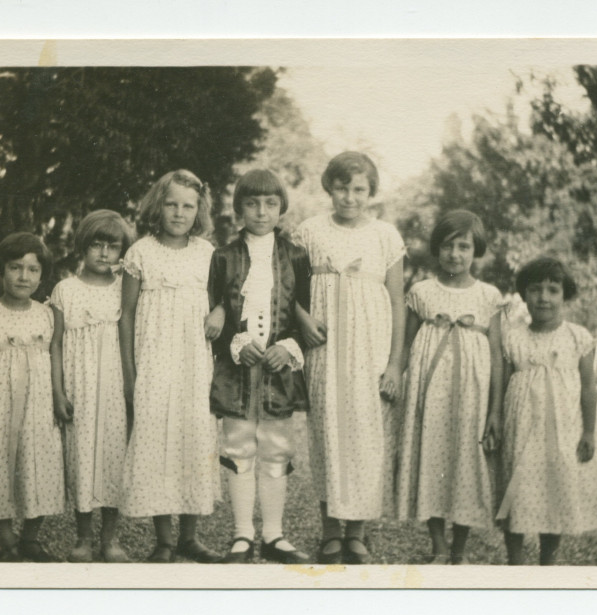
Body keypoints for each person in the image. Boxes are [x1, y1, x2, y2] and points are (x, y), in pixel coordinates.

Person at [292, 152, 406, 564]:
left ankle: (357, 532)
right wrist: (302, 319)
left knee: (365, 435)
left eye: (359, 189)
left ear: (371, 192)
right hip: (324, 346)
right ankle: (328, 531)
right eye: (342, 187)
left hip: (369, 348)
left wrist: (394, 363)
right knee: (327, 432)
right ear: (329, 187)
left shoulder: (385, 236)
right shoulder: (309, 231)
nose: (350, 196)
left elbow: (397, 301)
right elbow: (291, 288)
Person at [205, 169, 312, 564]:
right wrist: (234, 341)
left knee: (276, 449)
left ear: (281, 207)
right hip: (237, 371)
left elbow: (305, 313)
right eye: (252, 203)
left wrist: (289, 346)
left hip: (278, 371)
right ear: (239, 208)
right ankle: (241, 535)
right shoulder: (224, 256)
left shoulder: (297, 256)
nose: (261, 212)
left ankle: (273, 534)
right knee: (238, 447)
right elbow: (213, 315)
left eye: (270, 203)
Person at [118, 169, 222, 563]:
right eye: (172, 204)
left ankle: (190, 537)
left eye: (188, 206)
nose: (179, 213)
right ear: (158, 206)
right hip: (154, 359)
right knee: (156, 439)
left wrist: (221, 313)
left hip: (195, 362)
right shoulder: (140, 252)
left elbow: (224, 298)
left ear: (199, 211)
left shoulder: (207, 253)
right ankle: (163, 539)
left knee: (194, 438)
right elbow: (126, 315)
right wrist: (130, 374)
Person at [395, 210, 504, 564]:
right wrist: (397, 377)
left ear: (476, 250)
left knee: (465, 461)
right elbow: (407, 345)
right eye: (447, 246)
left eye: (463, 246)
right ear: (436, 249)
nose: (455, 254)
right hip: (430, 392)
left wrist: (495, 410)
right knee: (430, 457)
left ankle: (460, 548)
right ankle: (439, 545)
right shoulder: (422, 291)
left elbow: (498, 355)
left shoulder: (489, 296)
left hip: (471, 394)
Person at [497, 257, 597, 565]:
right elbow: (501, 385)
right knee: (517, 491)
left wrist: (589, 432)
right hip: (522, 431)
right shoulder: (513, 338)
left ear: (565, 295)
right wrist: (496, 420)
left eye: (553, 290)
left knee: (555, 491)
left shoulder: (577, 337)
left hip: (563, 432)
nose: (544, 297)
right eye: (536, 290)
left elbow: (589, 388)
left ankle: (548, 561)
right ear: (524, 295)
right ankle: (514, 561)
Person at [0, 232, 68, 562]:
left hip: (39, 407)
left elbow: (55, 358)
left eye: (33, 270)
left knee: (43, 465)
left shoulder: (47, 315)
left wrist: (59, 397)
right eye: (15, 267)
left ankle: (31, 539)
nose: (24, 277)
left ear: (42, 275)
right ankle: (7, 542)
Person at [50, 210, 134, 563]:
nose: (103, 254)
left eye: (112, 247)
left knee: (114, 457)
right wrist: (58, 391)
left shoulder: (124, 290)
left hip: (114, 389)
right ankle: (83, 537)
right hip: (79, 387)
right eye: (96, 245)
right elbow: (54, 344)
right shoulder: (65, 290)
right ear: (82, 247)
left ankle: (110, 538)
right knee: (82, 458)